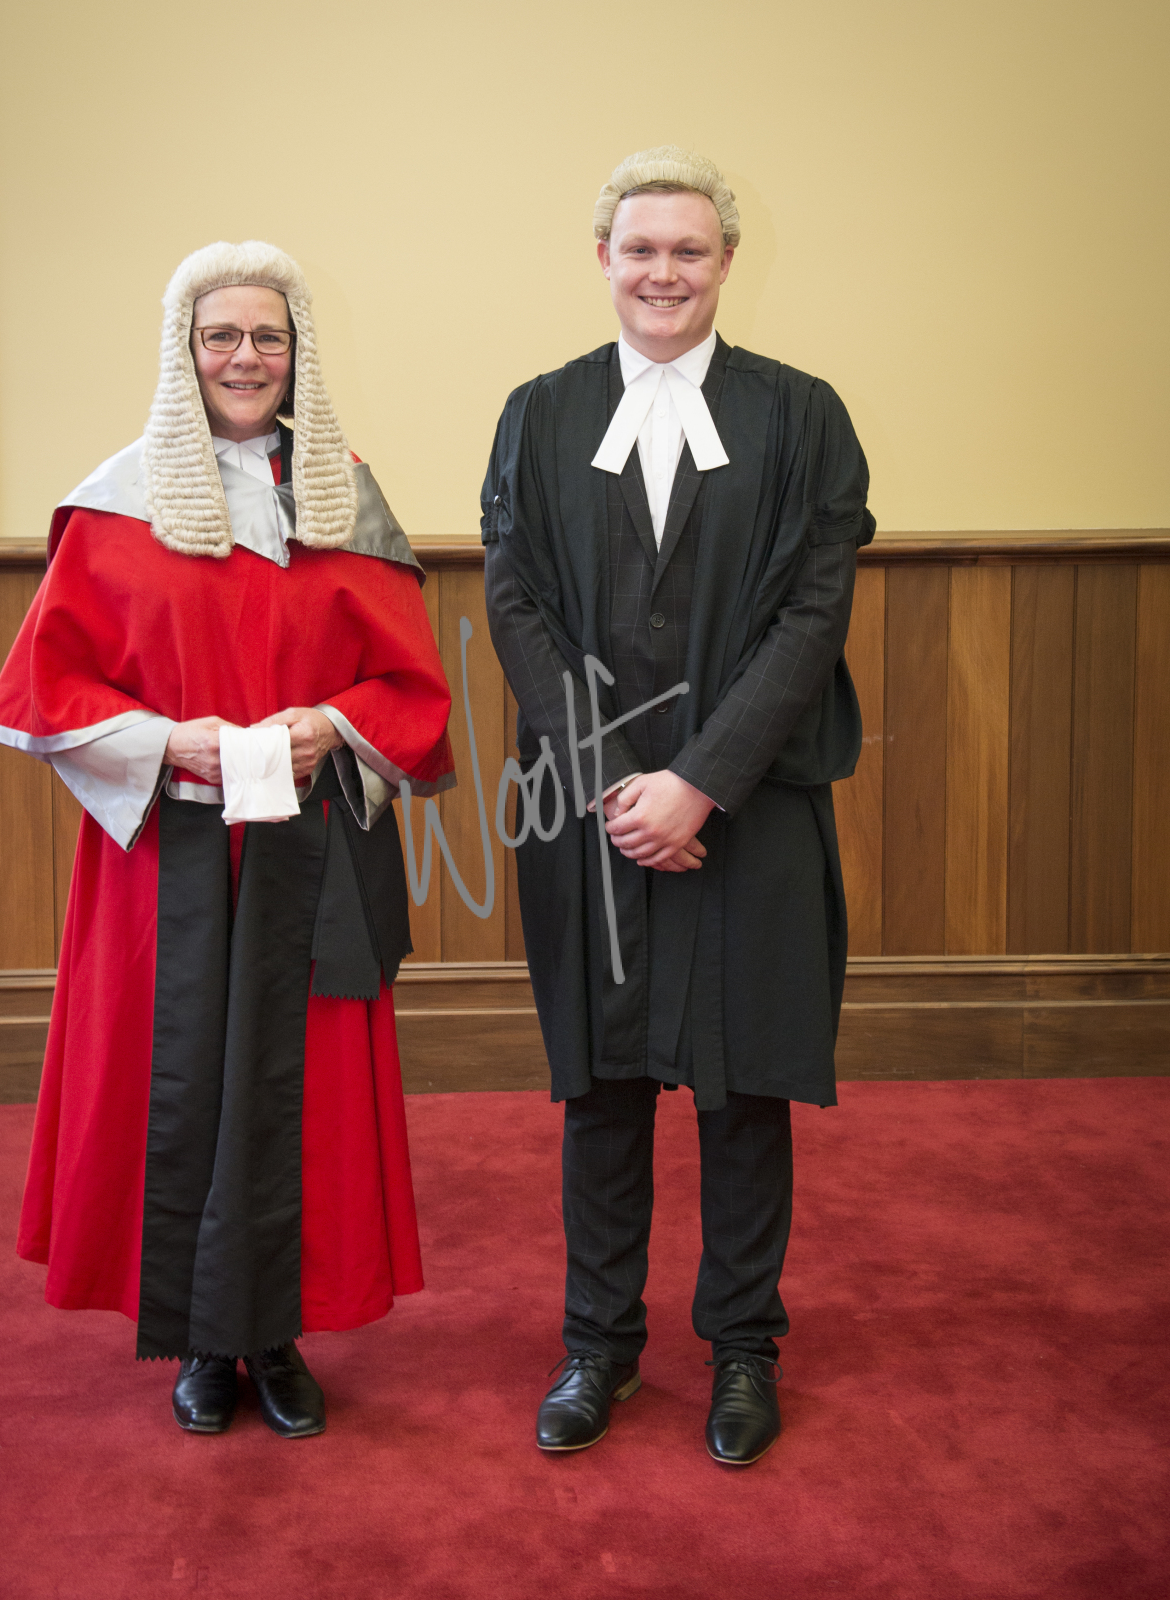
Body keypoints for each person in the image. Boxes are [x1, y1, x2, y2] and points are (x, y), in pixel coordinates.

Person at [0, 241, 454, 1438]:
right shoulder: (119, 501)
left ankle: (276, 1333)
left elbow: (409, 685)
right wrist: (161, 738)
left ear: (299, 353)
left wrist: (330, 725)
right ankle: (199, 1335)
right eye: (221, 336)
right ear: (183, 350)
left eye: (268, 336)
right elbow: (46, 687)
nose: (246, 357)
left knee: (302, 1096)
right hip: (164, 854)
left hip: (306, 845)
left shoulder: (346, 497)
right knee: (174, 1082)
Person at [483, 148, 874, 1465]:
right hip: (592, 809)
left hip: (747, 804)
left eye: (688, 250)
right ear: (602, 258)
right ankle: (596, 1344)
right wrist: (611, 778)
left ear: (724, 263)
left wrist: (698, 781)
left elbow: (811, 613)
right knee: (601, 1088)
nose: (663, 272)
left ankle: (743, 1348)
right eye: (639, 249)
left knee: (739, 1088)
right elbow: (513, 602)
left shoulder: (802, 415)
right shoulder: (537, 414)